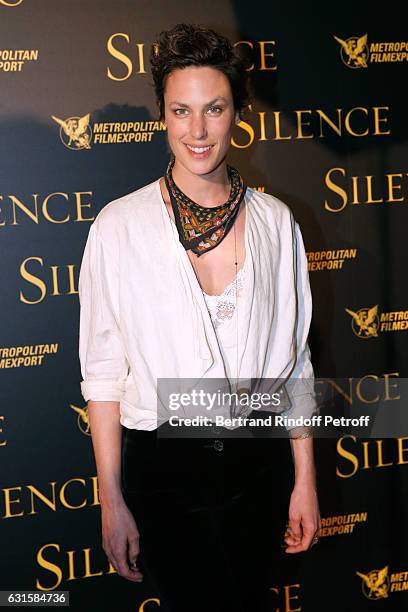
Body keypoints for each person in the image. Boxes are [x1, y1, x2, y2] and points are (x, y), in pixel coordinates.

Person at [78, 23, 321, 612]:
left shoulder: (276, 222)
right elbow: (104, 373)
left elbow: (295, 361)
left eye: (214, 109)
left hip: (258, 466)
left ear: (238, 111)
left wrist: (304, 478)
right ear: (162, 114)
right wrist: (111, 499)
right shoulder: (120, 226)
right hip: (164, 468)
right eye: (180, 110)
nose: (197, 130)